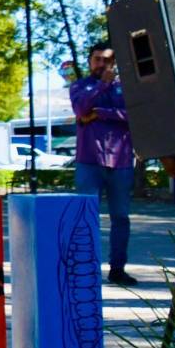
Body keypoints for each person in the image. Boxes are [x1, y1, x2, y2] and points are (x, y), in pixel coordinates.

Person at [70, 42, 137, 285]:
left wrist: (102, 113)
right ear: (89, 62)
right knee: (86, 216)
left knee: (120, 217)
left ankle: (118, 269)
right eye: (97, 59)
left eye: (106, 60)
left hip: (120, 161)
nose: (101, 64)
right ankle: (86, 268)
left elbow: (135, 116)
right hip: (89, 161)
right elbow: (81, 108)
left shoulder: (127, 88)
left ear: (114, 63)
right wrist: (102, 86)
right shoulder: (80, 85)